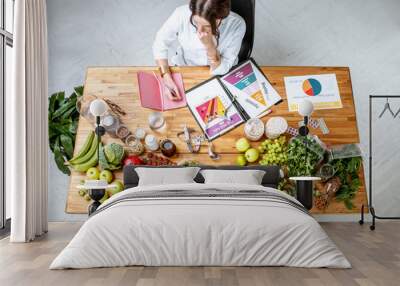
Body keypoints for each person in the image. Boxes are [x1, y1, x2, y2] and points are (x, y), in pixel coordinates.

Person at [153, 0, 246, 101]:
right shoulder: (181, 13)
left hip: (221, 74)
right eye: (196, 22)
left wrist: (210, 46)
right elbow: (160, 42)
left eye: (207, 26)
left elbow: (223, 68)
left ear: (220, 19)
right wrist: (165, 76)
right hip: (186, 68)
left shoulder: (237, 24)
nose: (199, 31)